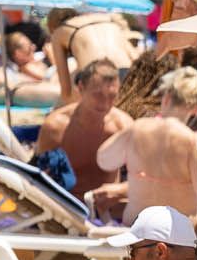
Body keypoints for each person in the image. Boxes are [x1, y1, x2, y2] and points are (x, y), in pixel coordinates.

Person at [97, 67, 197, 220]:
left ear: (166, 98)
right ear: (195, 110)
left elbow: (104, 160)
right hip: (176, 234)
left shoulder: (137, 128)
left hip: (136, 230)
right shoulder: (192, 141)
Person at [35, 60, 132, 203]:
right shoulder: (55, 126)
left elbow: (146, 178)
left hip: (107, 208)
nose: (105, 103)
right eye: (98, 95)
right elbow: (40, 178)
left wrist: (120, 190)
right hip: (64, 207)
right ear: (81, 88)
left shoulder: (123, 127)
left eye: (112, 96)